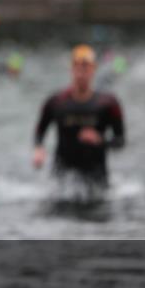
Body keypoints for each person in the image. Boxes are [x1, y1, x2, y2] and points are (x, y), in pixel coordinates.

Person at [32, 45, 125, 199]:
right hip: (62, 181)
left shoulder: (108, 104)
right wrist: (38, 149)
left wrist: (99, 139)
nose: (81, 72)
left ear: (94, 69)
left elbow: (120, 141)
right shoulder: (56, 102)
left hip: (97, 180)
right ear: (71, 68)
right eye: (77, 66)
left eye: (86, 67)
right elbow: (40, 130)